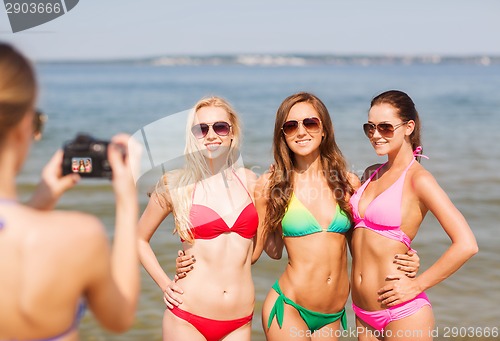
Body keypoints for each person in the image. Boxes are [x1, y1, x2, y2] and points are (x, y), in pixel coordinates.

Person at [175, 92, 420, 340]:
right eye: (291, 126)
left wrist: (403, 256)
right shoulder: (270, 184)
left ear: (324, 129)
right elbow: (262, 250)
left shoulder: (348, 183)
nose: (301, 132)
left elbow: (366, 242)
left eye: (310, 123)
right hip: (289, 308)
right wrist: (195, 258)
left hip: (333, 315)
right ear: (283, 135)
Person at [0, 43, 140, 340]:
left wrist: (42, 198)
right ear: (23, 126)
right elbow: (121, 315)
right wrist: (127, 200)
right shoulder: (78, 237)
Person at [349, 89, 478, 340]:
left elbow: (466, 244)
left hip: (403, 312)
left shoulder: (420, 180)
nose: (376, 135)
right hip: (363, 313)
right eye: (370, 127)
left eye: (385, 127)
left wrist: (418, 284)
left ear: (408, 127)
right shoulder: (371, 173)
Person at [137, 96, 259, 341]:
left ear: (232, 133)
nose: (211, 135)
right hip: (187, 318)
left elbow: (252, 253)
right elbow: (138, 239)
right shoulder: (176, 185)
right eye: (201, 129)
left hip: (240, 321)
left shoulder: (250, 181)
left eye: (220, 127)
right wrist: (164, 283)